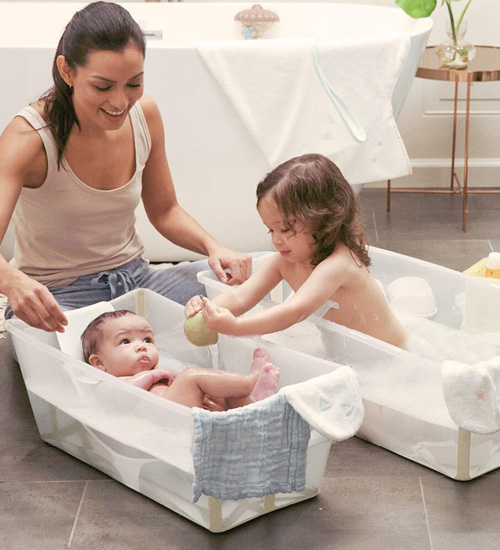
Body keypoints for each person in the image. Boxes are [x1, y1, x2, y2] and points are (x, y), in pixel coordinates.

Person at [0, 1, 251, 334]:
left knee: (247, 292)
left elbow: (165, 210)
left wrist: (214, 247)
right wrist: (12, 281)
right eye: (103, 87)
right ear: (67, 71)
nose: (119, 103)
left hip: (137, 279)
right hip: (59, 296)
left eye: (134, 84)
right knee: (68, 352)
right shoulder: (28, 138)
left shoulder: (145, 115)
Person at [185, 153, 407, 348]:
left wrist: (236, 327)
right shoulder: (283, 263)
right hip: (353, 359)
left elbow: (295, 311)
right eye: (270, 230)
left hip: (392, 358)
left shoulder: (339, 264)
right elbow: (241, 297)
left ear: (324, 218)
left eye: (285, 229)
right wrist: (208, 307)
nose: (277, 240)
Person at [81, 310, 280, 410]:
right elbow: (120, 398)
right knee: (191, 376)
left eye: (147, 339)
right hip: (163, 423)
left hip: (186, 414)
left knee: (219, 392)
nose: (142, 346)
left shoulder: (158, 368)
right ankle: (250, 381)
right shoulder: (108, 383)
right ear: (99, 363)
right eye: (125, 341)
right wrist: (153, 375)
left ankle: (252, 402)